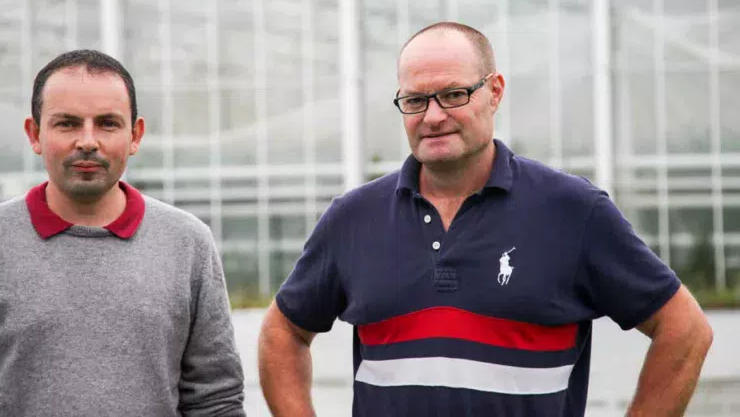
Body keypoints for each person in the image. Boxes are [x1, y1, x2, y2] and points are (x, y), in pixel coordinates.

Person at [258, 22, 713, 416]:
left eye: (453, 94)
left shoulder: (573, 212)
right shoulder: (353, 219)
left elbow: (685, 329)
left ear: (494, 91)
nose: (433, 116)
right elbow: (283, 331)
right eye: (415, 100)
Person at [0, 50, 245, 416]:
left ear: (135, 135)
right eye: (67, 123)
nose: (87, 141)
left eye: (107, 123)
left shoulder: (188, 243)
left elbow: (216, 400)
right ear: (34, 134)